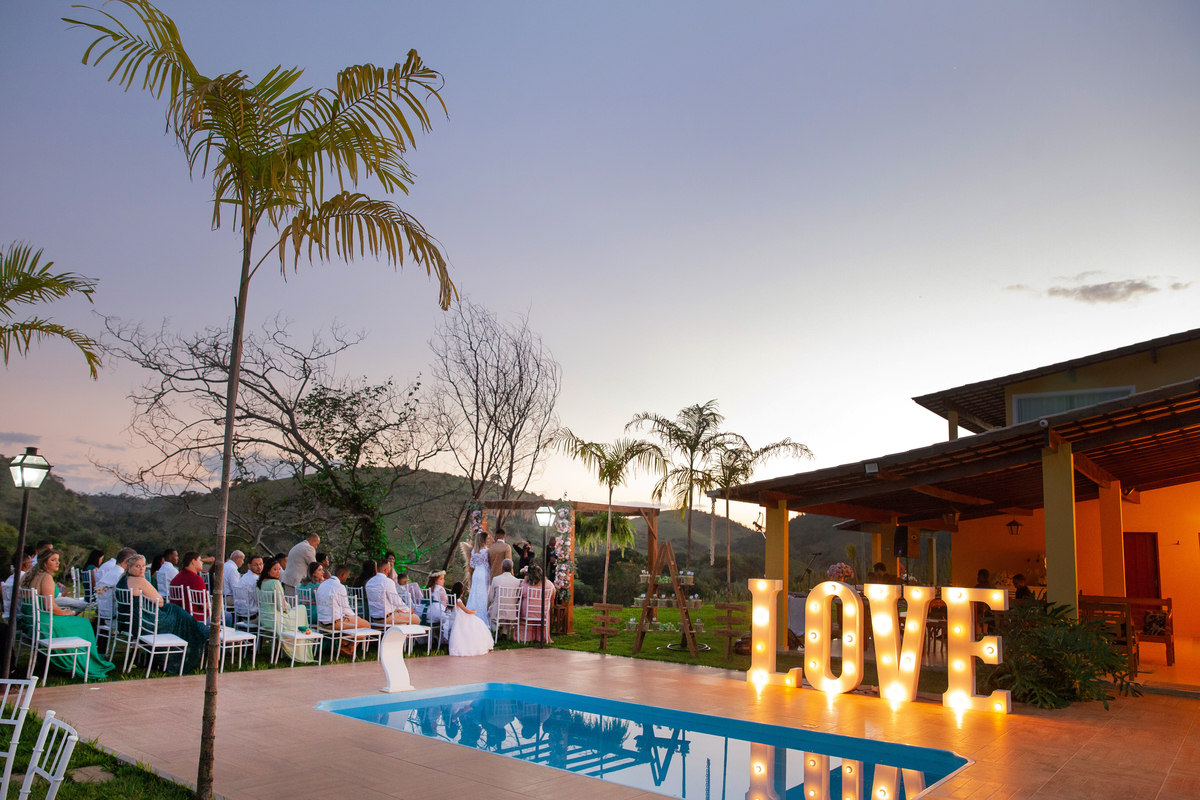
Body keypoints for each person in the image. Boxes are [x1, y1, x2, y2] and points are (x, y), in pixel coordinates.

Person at [20, 548, 115, 679]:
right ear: (43, 562)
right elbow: (50, 606)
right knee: (84, 622)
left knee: (77, 619)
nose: (57, 563)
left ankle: (83, 656)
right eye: (53, 560)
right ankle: (86, 661)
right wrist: (65, 613)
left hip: (33, 619)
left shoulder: (33, 576)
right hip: (44, 622)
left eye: (58, 560)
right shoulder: (46, 578)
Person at [118, 555, 209, 673]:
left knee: (176, 610)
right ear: (129, 568)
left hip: (131, 622)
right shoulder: (139, 581)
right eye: (137, 566)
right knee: (177, 612)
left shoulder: (122, 580)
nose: (141, 569)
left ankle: (201, 630)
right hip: (147, 623)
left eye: (143, 566)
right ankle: (203, 632)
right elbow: (159, 601)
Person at [258, 557, 316, 663]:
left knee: (298, 609)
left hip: (265, 619)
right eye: (275, 569)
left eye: (279, 569)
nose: (278, 572)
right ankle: (300, 648)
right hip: (277, 619)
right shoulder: (275, 583)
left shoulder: (260, 583)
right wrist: (289, 607)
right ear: (268, 570)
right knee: (302, 608)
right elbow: (282, 606)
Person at [315, 564, 373, 656]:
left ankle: (344, 644)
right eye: (347, 575)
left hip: (322, 622)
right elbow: (346, 610)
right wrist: (356, 617)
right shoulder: (339, 587)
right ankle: (348, 648)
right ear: (343, 575)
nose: (346, 578)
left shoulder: (322, 585)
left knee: (356, 622)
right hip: (335, 623)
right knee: (366, 624)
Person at [516, 564, 555, 644]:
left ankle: (525, 636)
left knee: (520, 609)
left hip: (527, 612)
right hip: (542, 613)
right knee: (546, 610)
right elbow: (552, 597)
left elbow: (518, 595)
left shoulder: (524, 584)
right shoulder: (549, 584)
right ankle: (541, 636)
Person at [448, 592, 494, 657]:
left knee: (476, 621)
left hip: (455, 617)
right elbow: (467, 611)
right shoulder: (458, 601)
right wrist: (474, 611)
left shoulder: (452, 599)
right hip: (459, 618)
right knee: (478, 622)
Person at [170, 552, 208, 622]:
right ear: (193, 561)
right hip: (195, 616)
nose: (202, 562)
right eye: (200, 560)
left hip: (177, 615)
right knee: (227, 616)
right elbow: (204, 605)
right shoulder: (197, 579)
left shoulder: (175, 579)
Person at [488, 558, 522, 629]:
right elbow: (517, 597)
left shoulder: (496, 579)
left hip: (498, 609)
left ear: (502, 567)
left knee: (490, 610)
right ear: (511, 568)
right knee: (506, 609)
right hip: (511, 609)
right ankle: (505, 632)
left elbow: (491, 598)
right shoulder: (517, 581)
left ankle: (495, 630)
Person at [466, 532, 492, 628]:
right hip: (483, 573)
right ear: (484, 540)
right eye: (487, 538)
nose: (488, 540)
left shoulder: (474, 551)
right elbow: (486, 565)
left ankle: (472, 615)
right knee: (483, 594)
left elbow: (471, 565)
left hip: (476, 573)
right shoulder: (486, 551)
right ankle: (481, 619)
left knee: (475, 593)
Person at [236, 555, 264, 621]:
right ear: (249, 566)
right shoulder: (255, 580)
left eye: (261, 564)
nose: (259, 567)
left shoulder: (243, 577)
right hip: (251, 614)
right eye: (255, 565)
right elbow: (259, 599)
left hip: (240, 612)